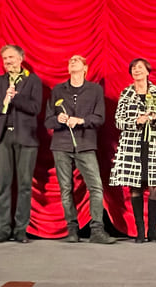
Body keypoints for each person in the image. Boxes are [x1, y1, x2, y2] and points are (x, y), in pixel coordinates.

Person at [44, 55, 116, 244]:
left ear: (85, 68)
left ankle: (97, 230)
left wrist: (81, 120)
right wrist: (58, 121)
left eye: (77, 61)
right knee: (66, 188)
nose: (72, 63)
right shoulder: (58, 90)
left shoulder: (95, 90)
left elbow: (100, 118)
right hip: (61, 145)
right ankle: (72, 230)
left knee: (96, 187)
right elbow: (48, 120)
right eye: (70, 61)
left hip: (85, 144)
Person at [109, 58, 156, 243]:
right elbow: (118, 121)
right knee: (136, 185)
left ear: (148, 71)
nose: (136, 71)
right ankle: (140, 230)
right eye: (133, 68)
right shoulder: (126, 93)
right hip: (133, 145)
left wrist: (154, 118)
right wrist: (135, 122)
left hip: (154, 144)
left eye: (140, 68)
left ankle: (153, 230)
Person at [0, 44, 41, 243]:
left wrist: (16, 98)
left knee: (24, 185)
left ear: (21, 59)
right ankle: (3, 229)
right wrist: (4, 102)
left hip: (26, 138)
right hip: (2, 138)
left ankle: (20, 230)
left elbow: (35, 107)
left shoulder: (33, 80)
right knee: (4, 185)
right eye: (5, 59)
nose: (8, 61)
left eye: (11, 58)